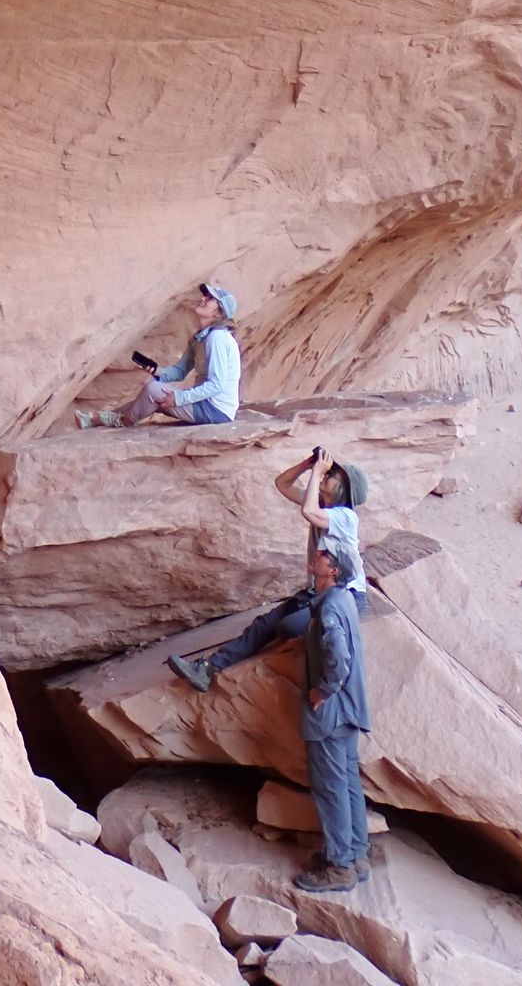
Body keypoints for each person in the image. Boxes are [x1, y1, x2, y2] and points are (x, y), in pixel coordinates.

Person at [166, 446, 368, 691]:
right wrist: (307, 464)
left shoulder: (346, 517)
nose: (326, 474)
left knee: (288, 627)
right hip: (318, 592)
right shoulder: (323, 506)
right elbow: (282, 483)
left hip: (346, 597)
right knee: (263, 624)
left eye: (332, 475)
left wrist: (316, 471)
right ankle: (207, 669)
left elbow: (308, 511)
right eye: (328, 472)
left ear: (345, 489)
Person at [294, 545, 372, 892]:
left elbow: (338, 657)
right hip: (350, 710)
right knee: (348, 782)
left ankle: (340, 866)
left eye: (324, 557)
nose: (318, 556)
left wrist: (323, 690)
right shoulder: (345, 601)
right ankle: (356, 854)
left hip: (331, 715)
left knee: (330, 787)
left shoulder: (328, 608)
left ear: (334, 571)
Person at [75, 283, 240, 429]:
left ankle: (124, 421)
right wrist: (157, 371)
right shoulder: (201, 337)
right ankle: (95, 420)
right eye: (205, 295)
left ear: (219, 314)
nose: (203, 299)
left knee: (153, 391)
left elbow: (217, 384)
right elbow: (180, 371)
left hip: (216, 410)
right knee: (150, 394)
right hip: (205, 404)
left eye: (210, 299)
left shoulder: (217, 338)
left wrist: (179, 398)